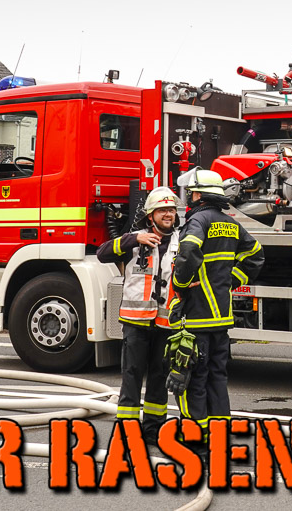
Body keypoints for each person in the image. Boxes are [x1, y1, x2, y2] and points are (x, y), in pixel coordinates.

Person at [168, 168, 264, 448]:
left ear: (198, 195)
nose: (189, 197)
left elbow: (188, 252)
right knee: (217, 379)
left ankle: (195, 438)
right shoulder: (230, 223)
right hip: (221, 318)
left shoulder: (198, 220)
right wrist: (231, 281)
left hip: (197, 316)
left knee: (192, 379)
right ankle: (219, 436)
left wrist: (180, 284)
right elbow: (256, 255)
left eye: (191, 192)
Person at [96, 186, 180, 445]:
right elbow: (102, 253)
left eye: (171, 210)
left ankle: (153, 431)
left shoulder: (182, 241)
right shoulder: (134, 239)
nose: (168, 214)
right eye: (163, 210)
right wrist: (133, 240)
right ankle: (127, 431)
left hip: (166, 323)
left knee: (159, 378)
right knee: (131, 377)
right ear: (150, 215)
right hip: (135, 322)